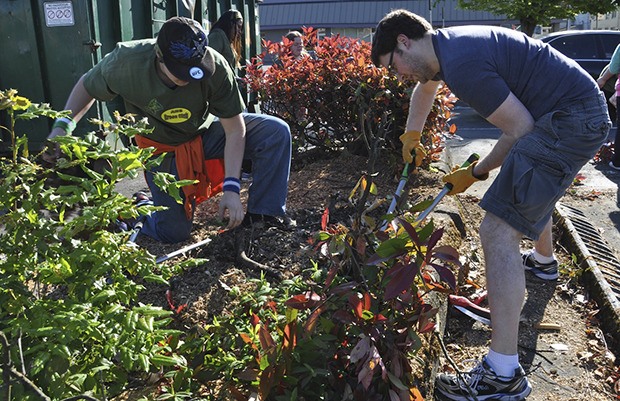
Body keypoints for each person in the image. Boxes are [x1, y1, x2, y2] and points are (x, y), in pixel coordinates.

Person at [371, 9, 610, 401]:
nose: (399, 76)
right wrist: (411, 135)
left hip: (569, 120)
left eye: (393, 66)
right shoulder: (445, 50)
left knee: (497, 228)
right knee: (523, 183)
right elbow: (426, 88)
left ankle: (502, 375)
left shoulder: (463, 65)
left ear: (403, 41)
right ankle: (544, 263)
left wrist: (476, 172)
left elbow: (521, 130)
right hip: (574, 110)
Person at [46, 16, 292, 244]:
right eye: (179, 72)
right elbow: (87, 86)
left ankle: (263, 217)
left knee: (275, 132)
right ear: (159, 56)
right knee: (173, 233)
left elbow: (235, 130)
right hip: (160, 149)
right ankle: (140, 213)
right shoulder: (126, 63)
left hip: (202, 135)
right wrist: (62, 128)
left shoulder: (215, 67)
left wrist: (232, 188)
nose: (187, 78)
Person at [597, 44, 620, 170]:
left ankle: (616, 161)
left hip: (613, 89)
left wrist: (602, 79)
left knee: (608, 120)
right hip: (613, 90)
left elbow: (614, 67)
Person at [207, 9, 244, 76]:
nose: (239, 31)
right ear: (230, 24)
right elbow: (208, 61)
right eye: (238, 27)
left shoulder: (227, 39)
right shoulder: (217, 36)